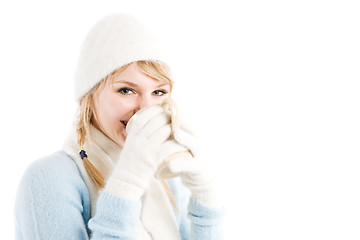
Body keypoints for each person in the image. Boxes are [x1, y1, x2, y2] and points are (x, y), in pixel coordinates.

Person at [15, 14, 224, 240]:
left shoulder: (166, 180)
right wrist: (126, 183)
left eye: (159, 92)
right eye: (126, 90)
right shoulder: (49, 177)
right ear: (90, 95)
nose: (146, 108)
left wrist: (205, 198)